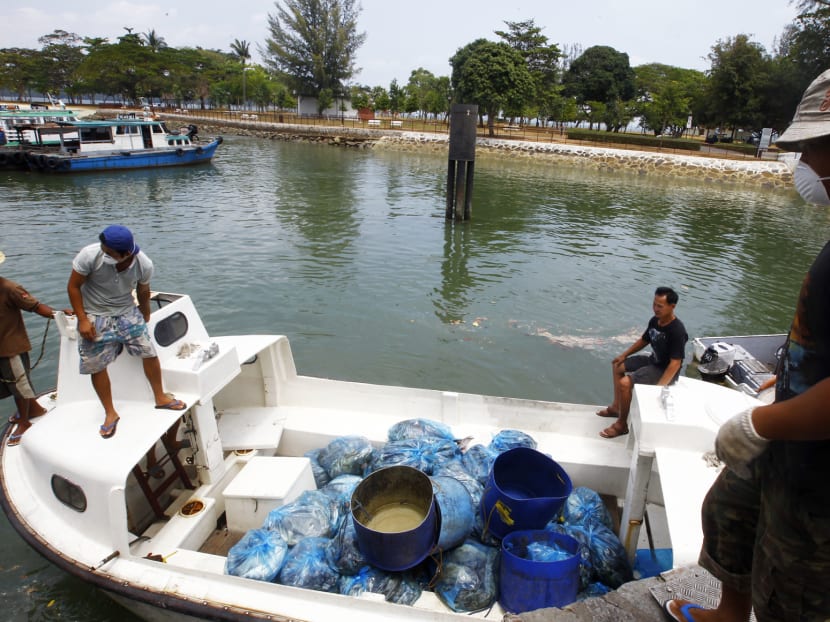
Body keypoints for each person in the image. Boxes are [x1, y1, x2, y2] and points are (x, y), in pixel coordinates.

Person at [663, 70, 830, 622]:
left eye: (816, 147)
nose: (806, 164)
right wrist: (780, 394)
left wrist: (761, 425)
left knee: (792, 588)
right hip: (792, 430)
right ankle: (728, 614)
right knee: (731, 509)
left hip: (817, 475)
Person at [67, 225, 186, 440]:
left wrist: (145, 313)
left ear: (126, 253)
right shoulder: (89, 255)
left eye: (110, 253)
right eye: (103, 249)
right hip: (95, 313)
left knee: (148, 351)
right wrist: (83, 319)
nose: (104, 254)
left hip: (126, 311)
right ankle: (110, 412)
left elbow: (143, 290)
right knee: (96, 364)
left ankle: (160, 397)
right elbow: (73, 287)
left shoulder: (144, 264)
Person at [596, 286, 687, 439]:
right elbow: (645, 340)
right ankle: (617, 407)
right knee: (617, 366)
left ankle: (621, 425)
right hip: (653, 360)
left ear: (672, 306)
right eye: (654, 304)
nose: (655, 309)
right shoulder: (655, 321)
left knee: (625, 384)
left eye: (660, 306)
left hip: (664, 369)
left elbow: (675, 363)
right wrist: (624, 355)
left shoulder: (677, 330)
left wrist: (660, 387)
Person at [1, 250, 72, 446]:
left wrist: (58, 314)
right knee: (7, 385)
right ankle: (33, 409)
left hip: (10, 348)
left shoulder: (10, 288)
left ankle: (25, 422)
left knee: (18, 385)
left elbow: (36, 306)